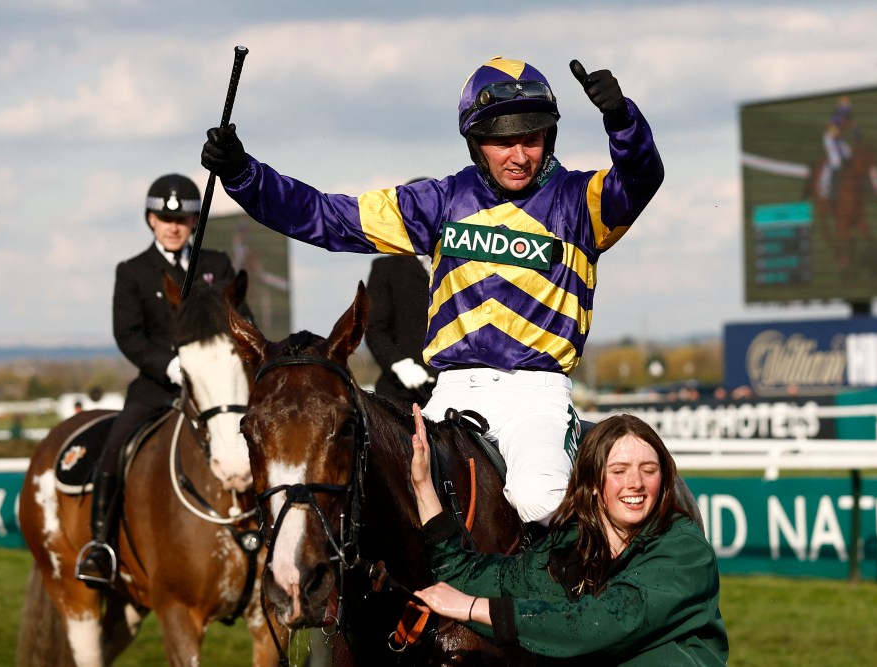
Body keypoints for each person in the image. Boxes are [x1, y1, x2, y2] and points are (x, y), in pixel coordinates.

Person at [201, 56, 664, 526]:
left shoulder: (582, 201)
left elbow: (642, 179)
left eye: (532, 139)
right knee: (383, 508)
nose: (519, 156)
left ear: (549, 138)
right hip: (452, 395)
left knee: (537, 498)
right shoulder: (441, 201)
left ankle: (576, 599)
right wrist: (243, 174)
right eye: (502, 142)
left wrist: (622, 120)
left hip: (536, 399)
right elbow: (327, 216)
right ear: (474, 143)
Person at [410, 409, 729, 665]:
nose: (636, 483)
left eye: (649, 469)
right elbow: (465, 575)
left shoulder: (683, 548)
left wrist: (472, 608)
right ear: (592, 481)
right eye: (619, 471)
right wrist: (424, 486)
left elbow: (600, 624)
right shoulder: (570, 546)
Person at [76, 173, 249, 587]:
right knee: (115, 449)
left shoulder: (217, 266)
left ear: (194, 223)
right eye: (164, 218)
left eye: (184, 219)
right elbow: (128, 335)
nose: (173, 226)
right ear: (150, 220)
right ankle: (100, 546)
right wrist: (169, 366)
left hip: (220, 390)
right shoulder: (133, 272)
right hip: (157, 386)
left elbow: (243, 322)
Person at [365, 182, 438, 408]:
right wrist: (399, 365)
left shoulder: (463, 265)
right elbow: (375, 330)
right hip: (400, 397)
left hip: (456, 392)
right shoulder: (386, 269)